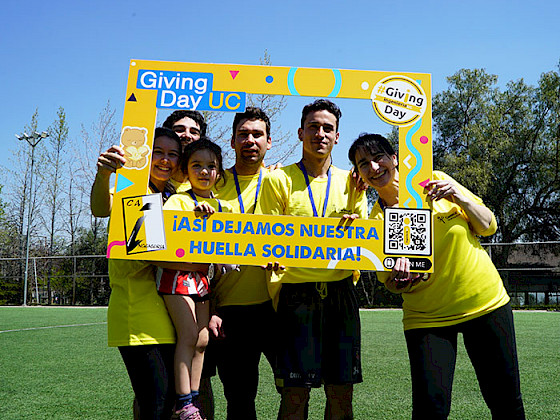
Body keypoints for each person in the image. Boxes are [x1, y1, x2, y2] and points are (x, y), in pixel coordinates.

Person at [348, 133, 526, 419]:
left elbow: (488, 226)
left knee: (506, 402)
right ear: (359, 174)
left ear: (394, 158)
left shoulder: (434, 180)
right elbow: (390, 284)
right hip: (427, 318)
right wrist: (402, 280)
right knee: (430, 410)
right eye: (363, 164)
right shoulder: (375, 221)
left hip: (485, 304)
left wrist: (458, 196)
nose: (374, 167)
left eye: (378, 156)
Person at [256, 99, 367, 420]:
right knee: (294, 396)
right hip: (296, 297)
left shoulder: (352, 182)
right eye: (314, 127)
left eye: (328, 128)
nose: (320, 133)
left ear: (337, 137)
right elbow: (265, 237)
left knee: (342, 394)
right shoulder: (278, 180)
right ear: (301, 132)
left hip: (340, 295)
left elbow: (363, 240)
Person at [91, 127, 208, 419]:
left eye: (173, 155)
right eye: (158, 152)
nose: (165, 160)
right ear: (144, 154)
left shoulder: (172, 194)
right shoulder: (134, 190)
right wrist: (105, 174)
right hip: (137, 313)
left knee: (167, 403)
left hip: (164, 312)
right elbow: (101, 209)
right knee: (155, 403)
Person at [159, 138, 234, 420]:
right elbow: (166, 236)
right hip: (176, 276)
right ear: (185, 171)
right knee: (188, 335)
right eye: (196, 165)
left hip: (203, 279)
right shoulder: (178, 200)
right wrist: (193, 216)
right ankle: (183, 402)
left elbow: (232, 241)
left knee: (203, 340)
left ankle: (192, 398)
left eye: (211, 166)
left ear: (219, 172)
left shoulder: (222, 205)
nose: (204, 172)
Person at [209, 107, 277, 419]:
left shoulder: (283, 180)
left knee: (295, 391)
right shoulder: (212, 183)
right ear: (232, 141)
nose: (250, 140)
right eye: (243, 135)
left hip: (278, 308)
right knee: (239, 399)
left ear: (269, 141)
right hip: (229, 311)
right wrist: (210, 310)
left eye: (257, 134)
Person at [163, 110, 207, 187]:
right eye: (180, 130)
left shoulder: (211, 185)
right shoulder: (148, 179)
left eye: (193, 132)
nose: (187, 135)